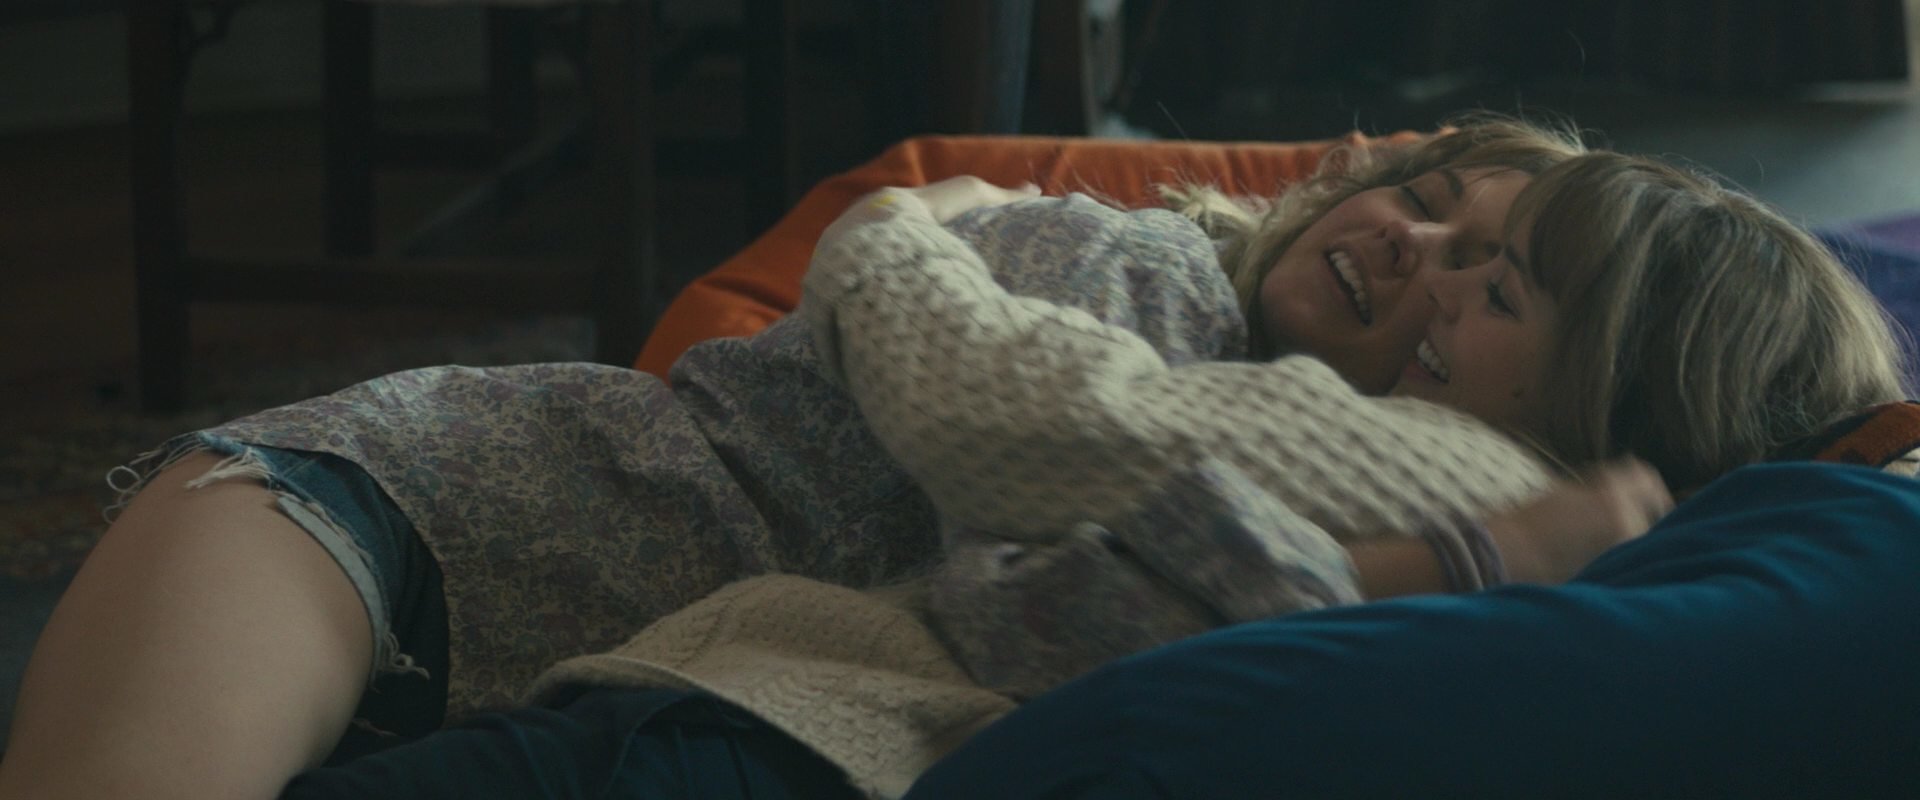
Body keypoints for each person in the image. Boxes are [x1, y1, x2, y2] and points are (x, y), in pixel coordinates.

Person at [0, 116, 1895, 800]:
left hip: (622, 681)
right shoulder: (1133, 269)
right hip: (412, 520)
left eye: (1489, 276)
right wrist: (906, 218)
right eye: (1432, 195)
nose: (1418, 245)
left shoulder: (1379, 468)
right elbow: (1021, 425)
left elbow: (1063, 612)